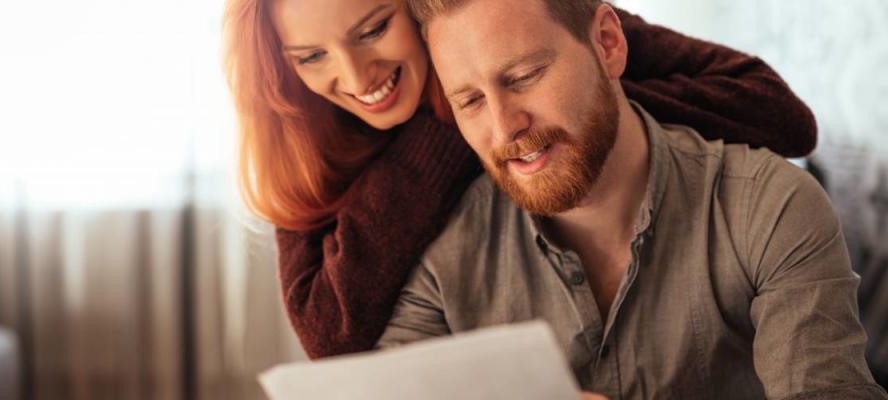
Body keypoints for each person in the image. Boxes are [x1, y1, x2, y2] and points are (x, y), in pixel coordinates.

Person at [222, 0, 818, 359]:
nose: (355, 75)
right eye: (310, 57)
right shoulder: (299, 129)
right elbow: (328, 331)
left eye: (373, 28)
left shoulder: (514, 17)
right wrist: (453, 129)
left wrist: (579, 105)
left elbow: (781, 114)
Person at [377, 0, 887, 398]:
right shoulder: (438, 252)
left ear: (607, 43)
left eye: (524, 77)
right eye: (470, 101)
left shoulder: (772, 207)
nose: (504, 126)